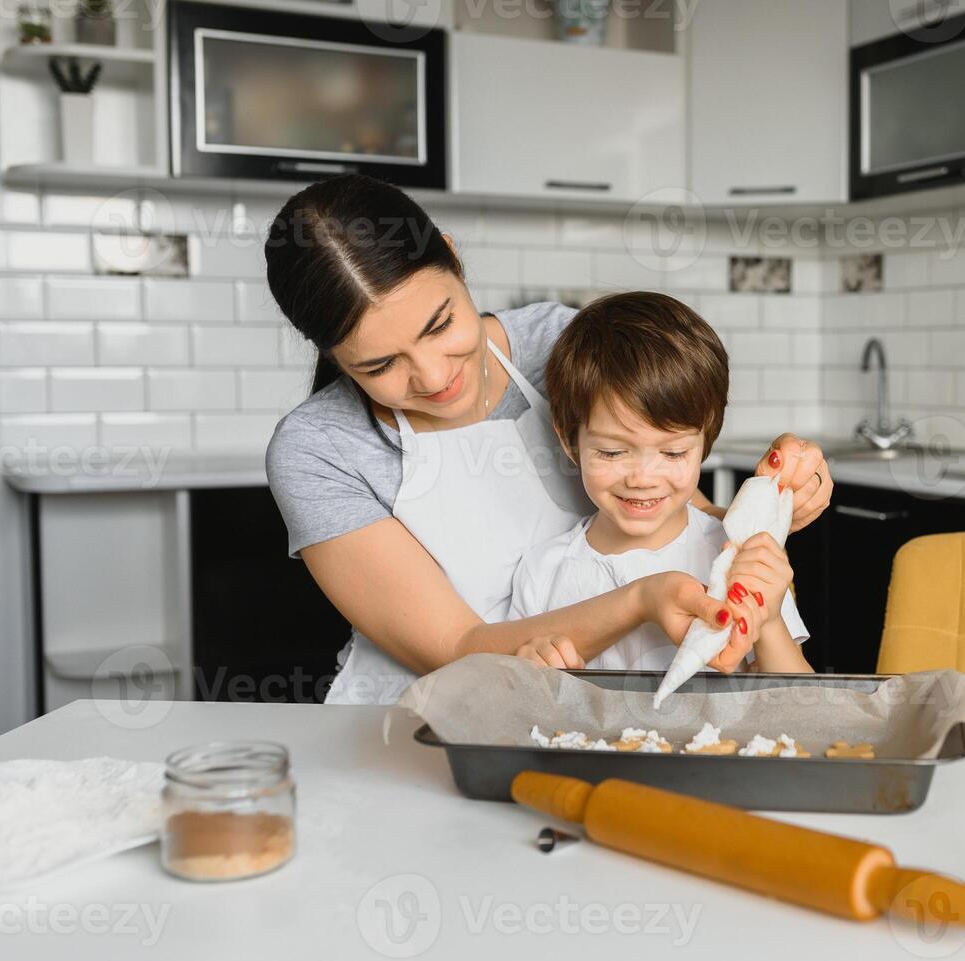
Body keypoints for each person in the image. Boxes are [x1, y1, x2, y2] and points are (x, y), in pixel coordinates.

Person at [263, 175, 833, 705]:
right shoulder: (318, 450)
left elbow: (683, 519)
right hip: (407, 719)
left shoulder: (562, 345)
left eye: (440, 326)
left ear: (454, 257)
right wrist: (640, 601)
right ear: (334, 356)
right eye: (381, 364)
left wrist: (773, 500)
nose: (435, 378)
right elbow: (456, 647)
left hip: (576, 712)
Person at [509, 292, 813, 674]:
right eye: (612, 452)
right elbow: (519, 701)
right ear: (570, 441)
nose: (641, 478)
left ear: (706, 442)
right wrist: (532, 673)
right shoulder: (543, 573)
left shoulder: (735, 556)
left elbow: (799, 699)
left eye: (672, 454)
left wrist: (767, 622)